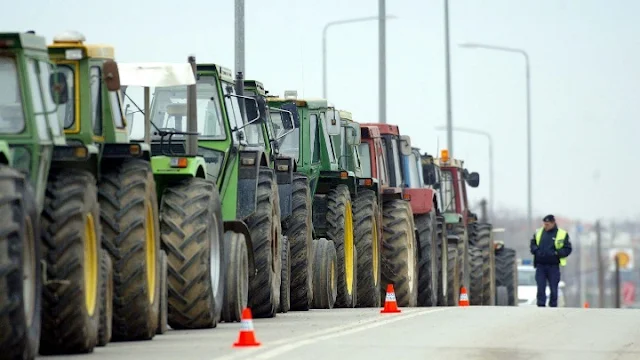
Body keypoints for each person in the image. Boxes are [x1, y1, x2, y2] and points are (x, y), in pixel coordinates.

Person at [529, 214, 572, 307]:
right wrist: (536, 251)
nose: (545, 226)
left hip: (553, 266)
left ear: (553, 223)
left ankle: (553, 306)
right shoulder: (538, 232)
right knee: (541, 287)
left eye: (547, 224)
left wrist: (557, 253)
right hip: (541, 265)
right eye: (544, 224)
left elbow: (568, 249)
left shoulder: (562, 234)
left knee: (553, 288)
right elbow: (532, 245)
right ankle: (541, 305)